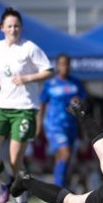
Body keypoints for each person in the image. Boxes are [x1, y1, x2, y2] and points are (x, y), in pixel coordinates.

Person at [0, 7, 53, 203]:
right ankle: (7, 183)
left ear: (21, 27)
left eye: (17, 26)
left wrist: (27, 77)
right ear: (2, 28)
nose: (13, 29)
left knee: (15, 160)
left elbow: (49, 71)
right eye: (10, 26)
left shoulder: (29, 48)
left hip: (24, 109)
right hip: (0, 108)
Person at [37, 53, 87, 187]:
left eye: (68, 64)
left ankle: (59, 188)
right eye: (63, 64)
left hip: (71, 126)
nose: (65, 66)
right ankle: (59, 192)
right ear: (58, 66)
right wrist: (38, 125)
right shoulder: (50, 84)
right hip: (54, 126)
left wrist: (78, 103)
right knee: (65, 153)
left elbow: (83, 104)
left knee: (64, 159)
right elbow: (42, 104)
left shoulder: (76, 83)